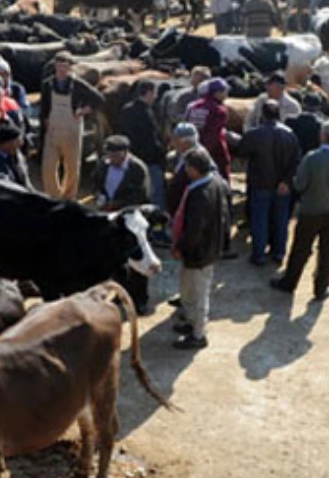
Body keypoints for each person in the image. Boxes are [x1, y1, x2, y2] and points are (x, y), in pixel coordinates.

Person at [271, 120, 329, 299]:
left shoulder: (311, 158)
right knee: (328, 252)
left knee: (300, 248)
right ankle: (321, 289)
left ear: (322, 136)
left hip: (310, 211)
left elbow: (299, 185)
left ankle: (289, 283)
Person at [171, 148, 230, 351]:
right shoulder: (216, 182)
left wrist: (180, 247)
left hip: (199, 252)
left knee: (199, 293)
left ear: (194, 169)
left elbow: (195, 229)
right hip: (206, 248)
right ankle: (190, 322)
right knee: (188, 288)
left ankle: (199, 335)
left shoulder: (200, 194)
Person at [238, 101, 301, 266]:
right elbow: (296, 161)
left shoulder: (255, 134)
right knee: (281, 220)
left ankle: (258, 255)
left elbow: (241, 151)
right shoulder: (290, 134)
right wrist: (287, 181)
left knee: (260, 220)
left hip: (260, 184)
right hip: (283, 186)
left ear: (262, 115)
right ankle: (278, 253)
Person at [39, 52, 104, 199]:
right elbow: (44, 107)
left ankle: (68, 197)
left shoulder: (78, 85)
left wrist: (84, 110)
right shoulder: (47, 84)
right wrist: (45, 122)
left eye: (65, 66)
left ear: (70, 68)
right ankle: (53, 195)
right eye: (58, 65)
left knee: (72, 166)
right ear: (55, 66)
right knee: (48, 167)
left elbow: (98, 98)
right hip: (53, 129)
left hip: (72, 129)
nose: (61, 69)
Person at [117, 79, 167, 208]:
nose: (156, 97)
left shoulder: (126, 109)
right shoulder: (147, 112)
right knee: (156, 194)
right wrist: (162, 153)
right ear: (149, 93)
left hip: (132, 158)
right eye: (155, 93)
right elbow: (152, 138)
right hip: (150, 160)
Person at [185, 77, 232, 181]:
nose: (226, 95)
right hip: (214, 153)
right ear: (216, 92)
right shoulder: (219, 110)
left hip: (192, 149)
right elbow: (214, 135)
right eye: (224, 92)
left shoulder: (192, 106)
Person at [92, 135, 151, 211]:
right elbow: (96, 183)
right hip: (106, 210)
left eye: (116, 156)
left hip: (129, 213)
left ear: (126, 153)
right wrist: (98, 196)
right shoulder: (104, 164)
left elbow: (141, 196)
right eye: (109, 155)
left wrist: (118, 203)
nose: (112, 159)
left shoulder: (137, 169)